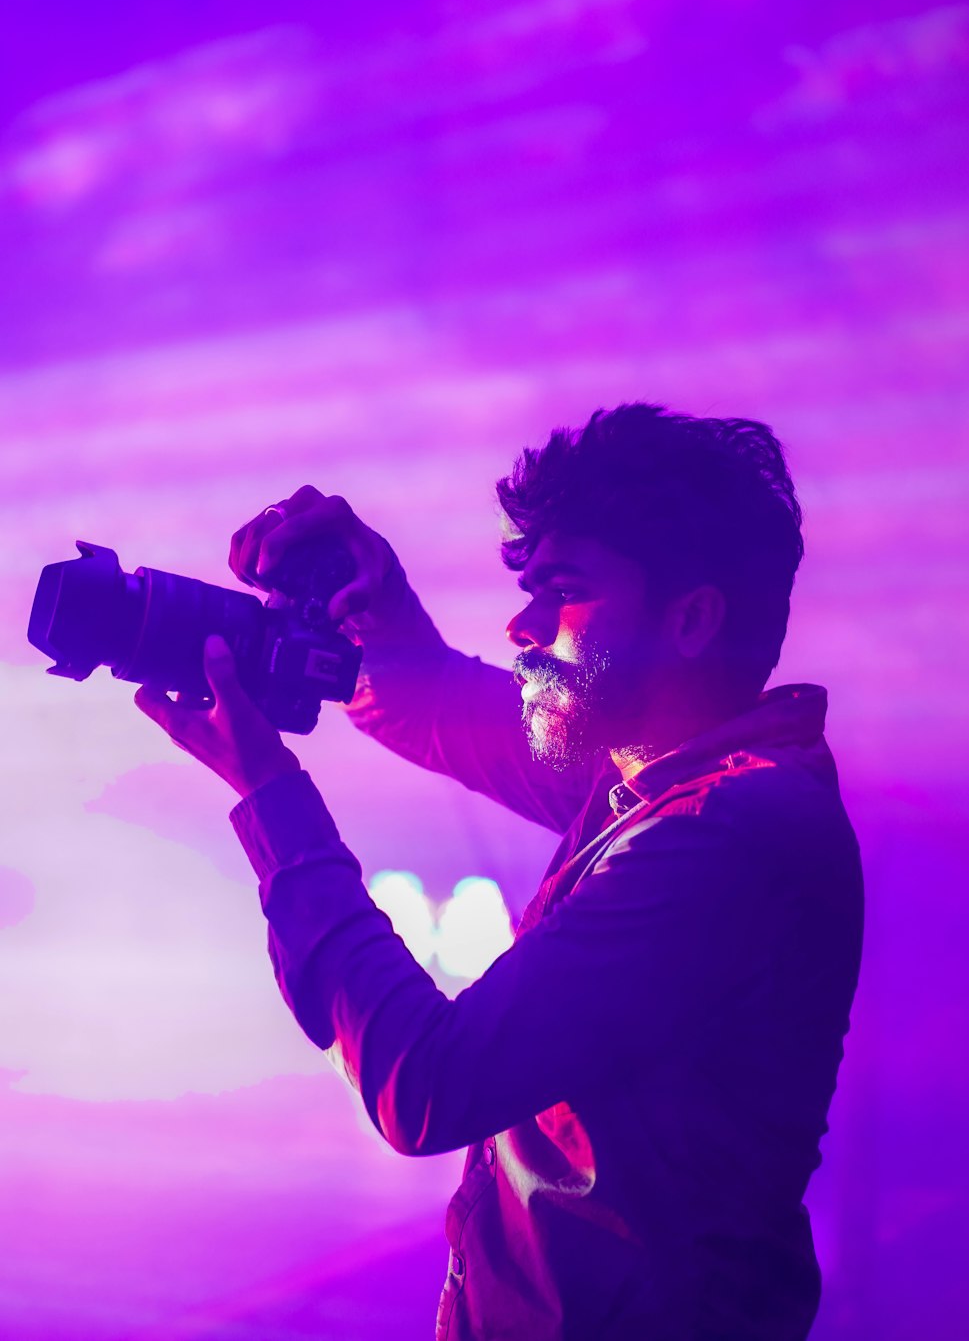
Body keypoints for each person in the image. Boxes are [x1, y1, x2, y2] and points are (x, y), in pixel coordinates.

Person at [135, 403, 864, 1340]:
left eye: (562, 592)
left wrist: (271, 795)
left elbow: (425, 1081)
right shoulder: (654, 782)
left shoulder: (732, 833)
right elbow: (453, 706)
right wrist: (374, 611)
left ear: (689, 618)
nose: (522, 626)